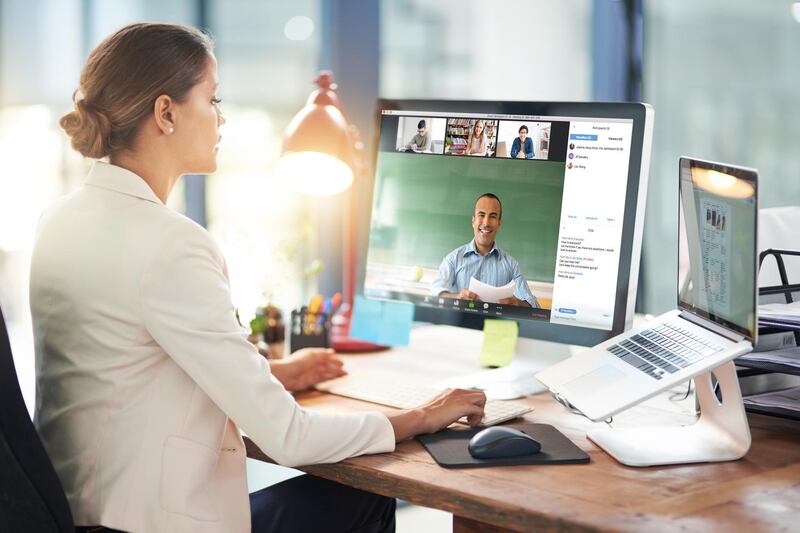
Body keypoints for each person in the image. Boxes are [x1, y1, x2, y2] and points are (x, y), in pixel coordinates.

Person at [30, 23, 485, 533]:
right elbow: (289, 437)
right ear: (166, 113)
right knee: (361, 499)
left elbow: (127, 368)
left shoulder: (59, 220)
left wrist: (274, 374)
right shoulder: (171, 244)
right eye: (213, 98)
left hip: (81, 515)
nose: (222, 118)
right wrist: (423, 415)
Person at [430, 193, 540, 308]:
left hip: (495, 325)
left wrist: (518, 303)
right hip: (460, 324)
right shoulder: (453, 260)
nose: (486, 223)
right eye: (481, 215)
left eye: (493, 216)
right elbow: (435, 293)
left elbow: (534, 306)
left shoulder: (511, 265)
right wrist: (457, 297)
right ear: (473, 221)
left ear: (499, 224)